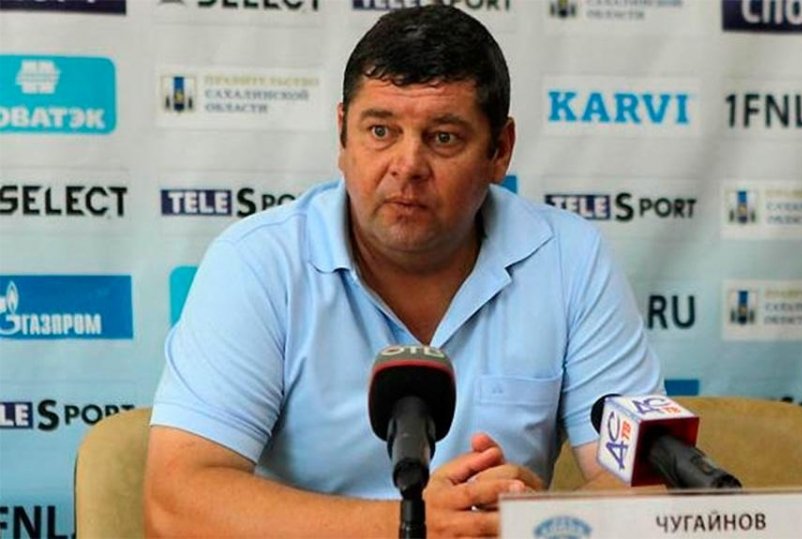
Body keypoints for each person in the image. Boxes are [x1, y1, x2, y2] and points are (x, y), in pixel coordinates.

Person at [144, 5, 662, 537]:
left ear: (499, 151)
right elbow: (176, 501)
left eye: (443, 138)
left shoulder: (570, 260)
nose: (408, 165)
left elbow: (650, 481)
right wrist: (412, 525)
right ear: (342, 135)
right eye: (380, 131)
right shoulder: (259, 263)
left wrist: (537, 523)